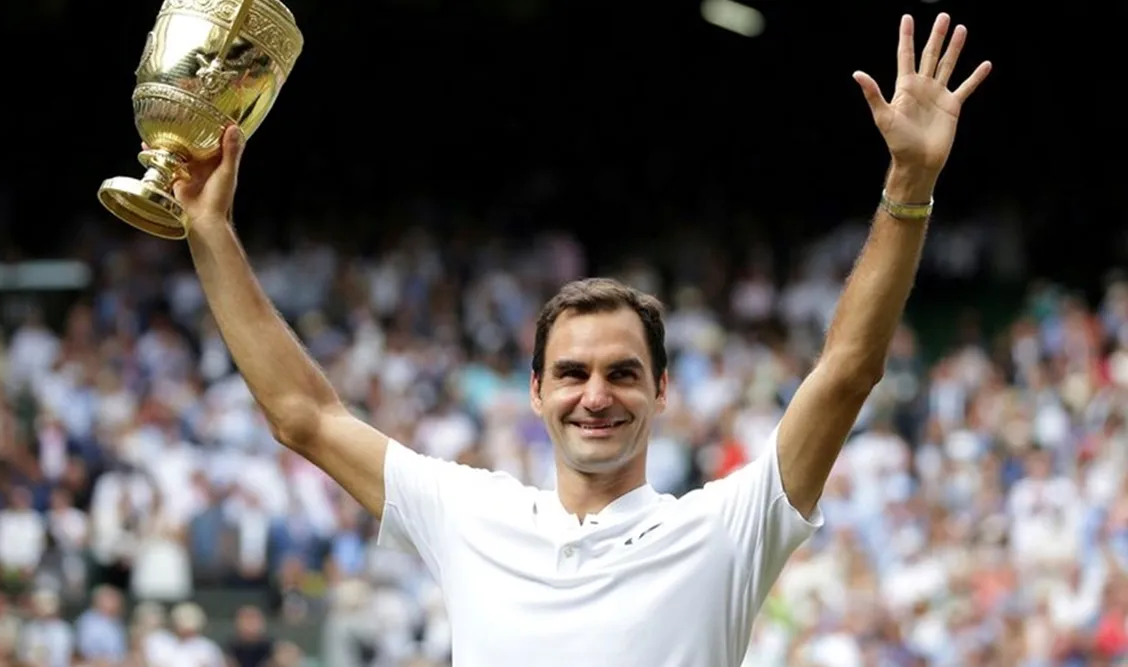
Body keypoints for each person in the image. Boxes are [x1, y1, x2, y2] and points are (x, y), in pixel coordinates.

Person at [166, 12, 990, 667]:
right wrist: (211, 232)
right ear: (535, 391)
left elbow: (848, 369)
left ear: (663, 391)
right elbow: (301, 414)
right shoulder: (470, 514)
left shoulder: (726, 528)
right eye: (571, 373)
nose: (595, 394)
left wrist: (908, 184)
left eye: (624, 373)